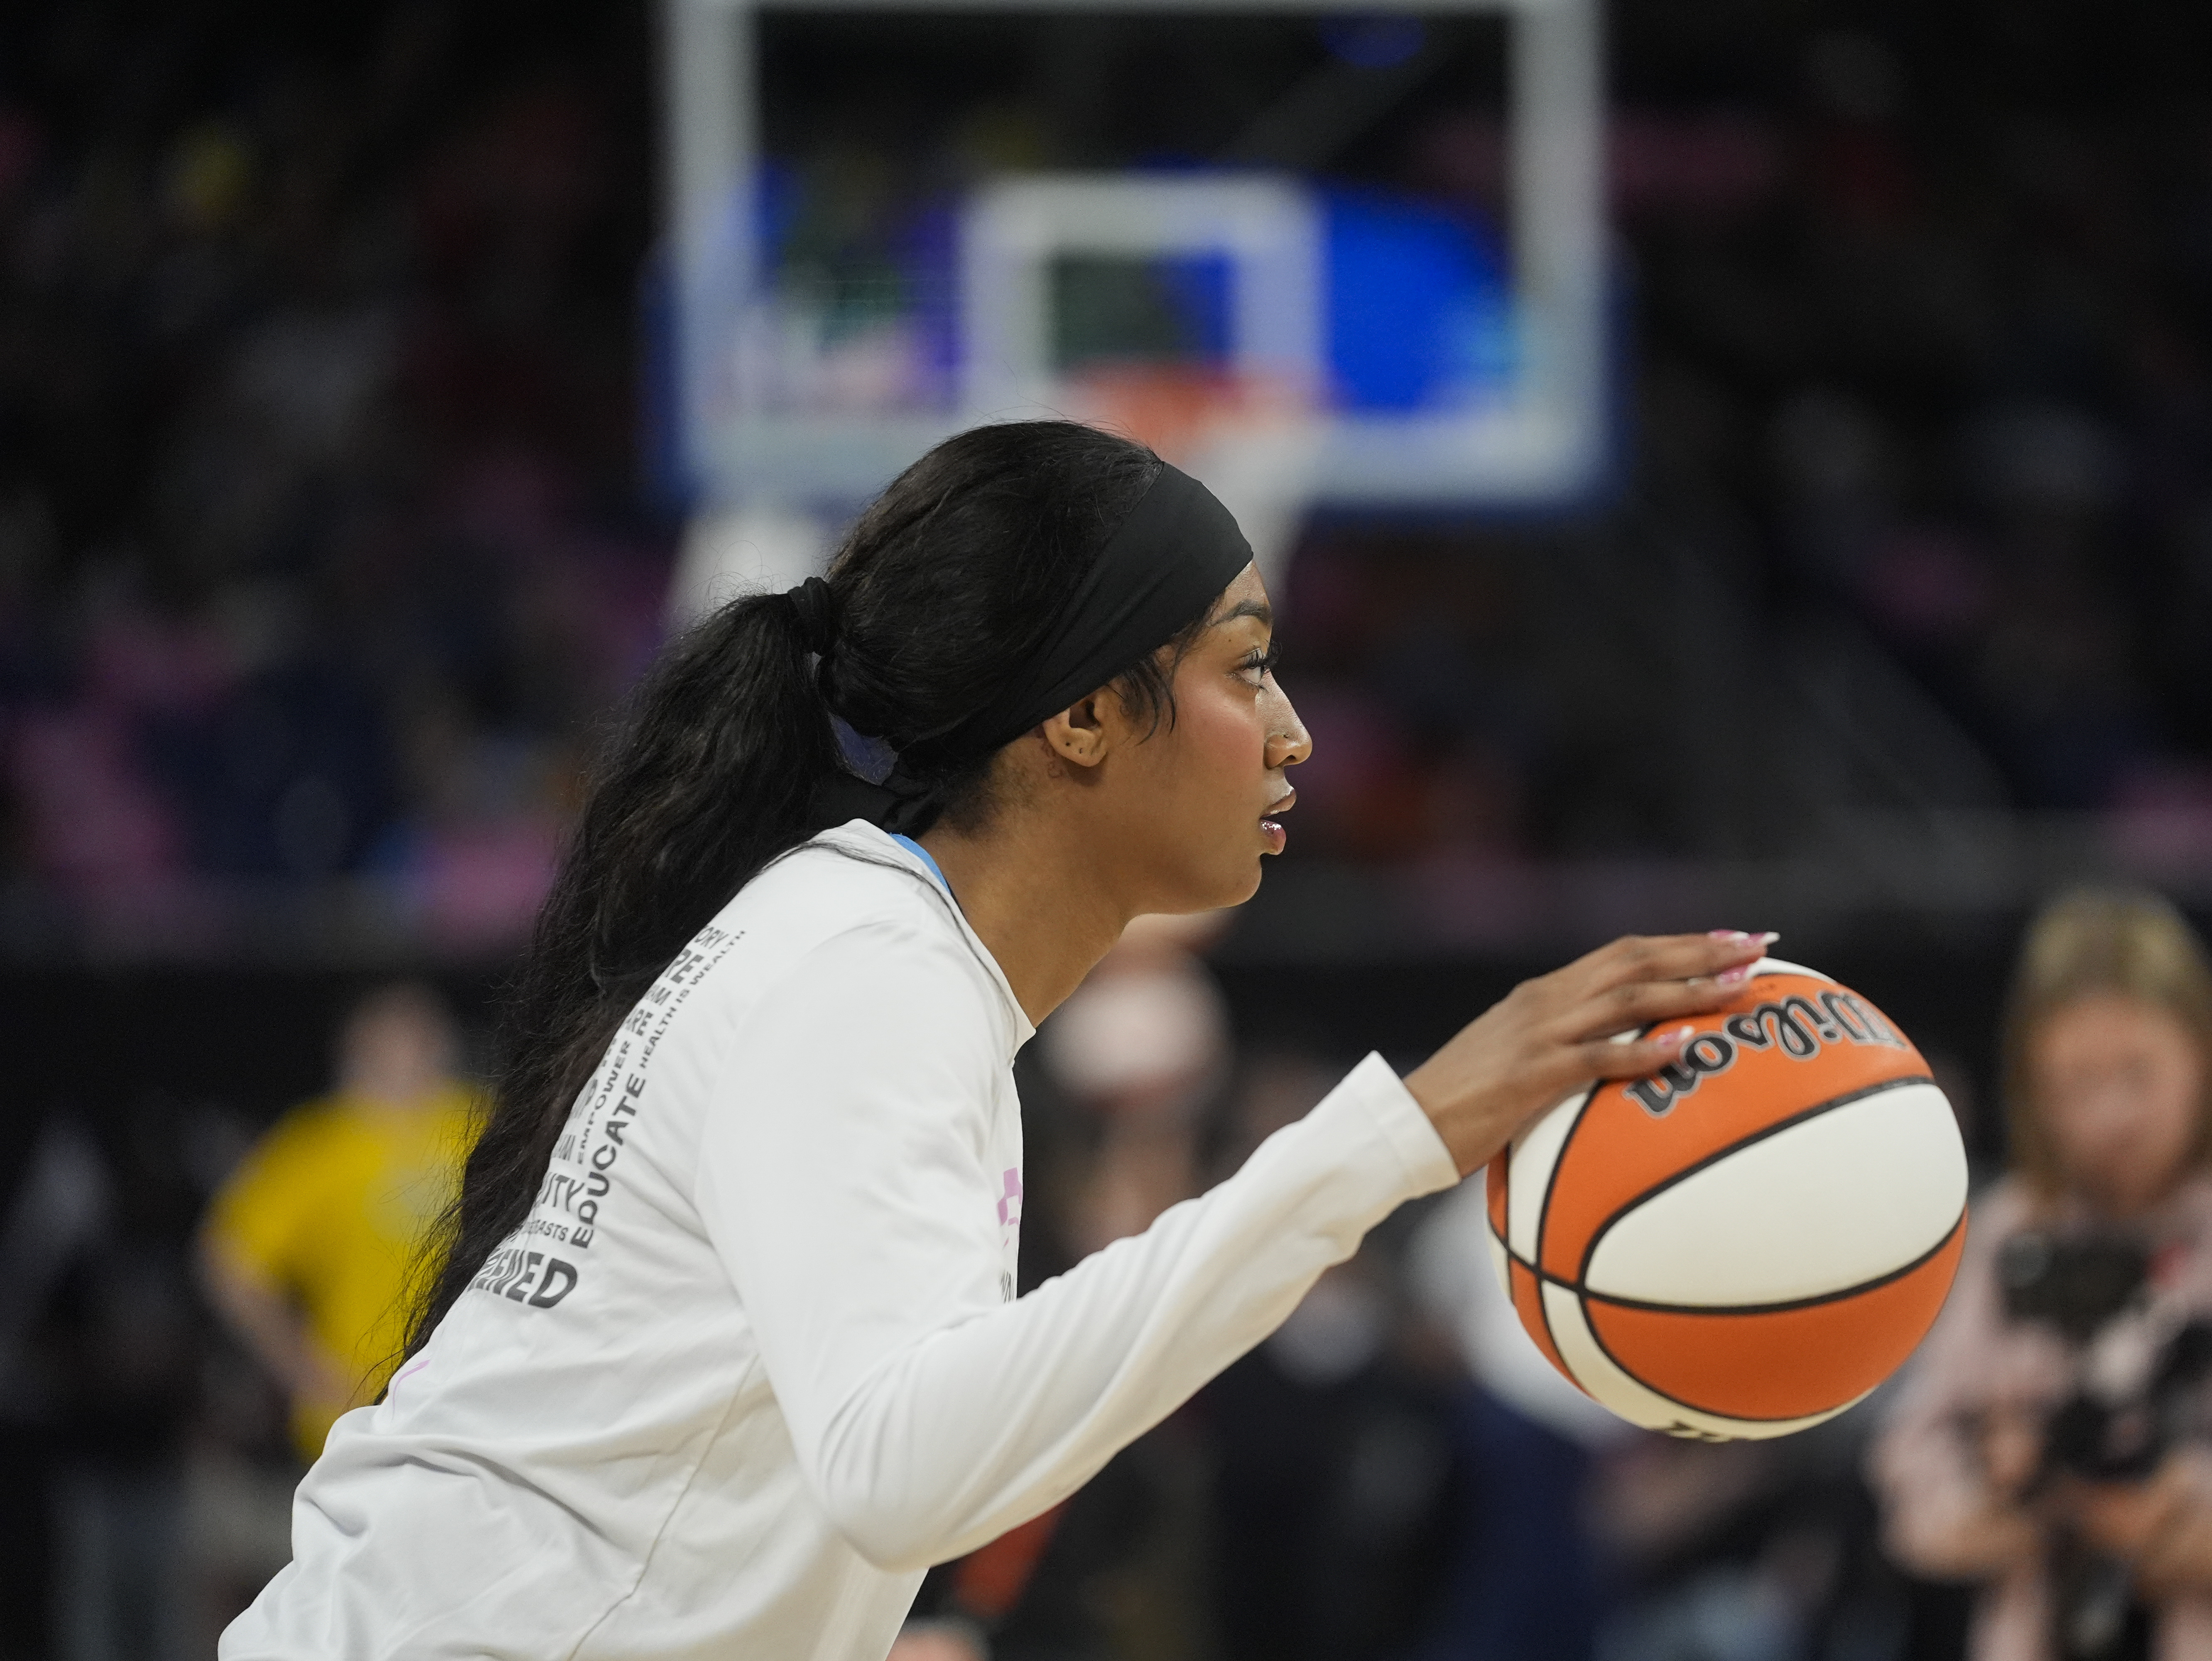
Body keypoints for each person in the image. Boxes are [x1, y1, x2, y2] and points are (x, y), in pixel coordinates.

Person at [218, 420, 1773, 1661]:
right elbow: (901, 1466)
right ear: (1085, 716)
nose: (1296, 727)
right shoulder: (862, 964)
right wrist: (1394, 1136)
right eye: (1243, 663)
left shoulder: (875, 957)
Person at [1869, 889, 2212, 1660]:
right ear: (2031, 1088)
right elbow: (1911, 1472)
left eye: (2137, 1074)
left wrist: (2181, 1508)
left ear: (2207, 1055)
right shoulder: (2011, 1227)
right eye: (2073, 1083)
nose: (2108, 1116)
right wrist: (2013, 1485)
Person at [199, 982, 480, 1465]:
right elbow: (229, 1261)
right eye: (394, 1041)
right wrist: (305, 1370)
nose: (415, 1055)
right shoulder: (318, 1144)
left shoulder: (477, 1121)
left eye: (424, 1038)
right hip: (359, 1420)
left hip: (470, 1409)